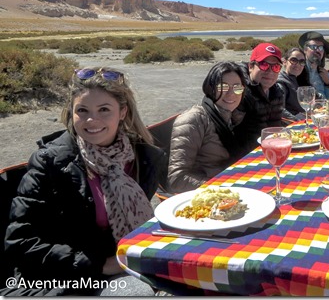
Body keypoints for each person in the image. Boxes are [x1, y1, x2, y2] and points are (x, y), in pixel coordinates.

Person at [3, 67, 166, 296]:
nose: (92, 120)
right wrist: (101, 264)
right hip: (60, 279)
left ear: (122, 112)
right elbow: (20, 243)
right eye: (82, 110)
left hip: (125, 260)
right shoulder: (50, 163)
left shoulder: (142, 158)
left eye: (104, 110)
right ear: (72, 113)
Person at [167, 61, 249, 193]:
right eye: (223, 87)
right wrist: (220, 189)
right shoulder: (194, 120)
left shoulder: (233, 116)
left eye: (237, 87)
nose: (231, 94)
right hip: (208, 196)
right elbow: (177, 178)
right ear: (211, 88)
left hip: (229, 182)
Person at [233, 42, 286, 153]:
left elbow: (275, 128)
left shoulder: (277, 93)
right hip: (245, 155)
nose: (270, 71)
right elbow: (233, 134)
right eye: (263, 65)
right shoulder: (239, 92)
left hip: (270, 150)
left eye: (275, 67)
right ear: (251, 66)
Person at [276, 47, 309, 119]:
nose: (298, 64)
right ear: (284, 62)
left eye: (302, 62)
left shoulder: (297, 79)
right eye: (294, 60)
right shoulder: (281, 83)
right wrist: (297, 120)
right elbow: (280, 109)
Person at [299, 31, 329, 99]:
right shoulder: (299, 70)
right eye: (314, 47)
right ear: (305, 50)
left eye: (320, 48)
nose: (318, 50)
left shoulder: (322, 71)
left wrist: (327, 83)